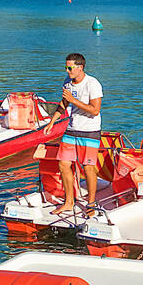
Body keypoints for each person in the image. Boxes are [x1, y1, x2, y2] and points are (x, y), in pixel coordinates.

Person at [48, 52, 103, 215]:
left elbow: (95, 110)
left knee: (88, 167)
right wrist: (52, 122)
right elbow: (64, 103)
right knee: (63, 164)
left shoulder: (92, 84)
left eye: (70, 68)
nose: (67, 71)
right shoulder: (67, 82)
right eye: (66, 67)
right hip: (71, 129)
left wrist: (74, 101)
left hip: (89, 131)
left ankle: (91, 204)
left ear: (80, 67)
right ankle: (69, 202)